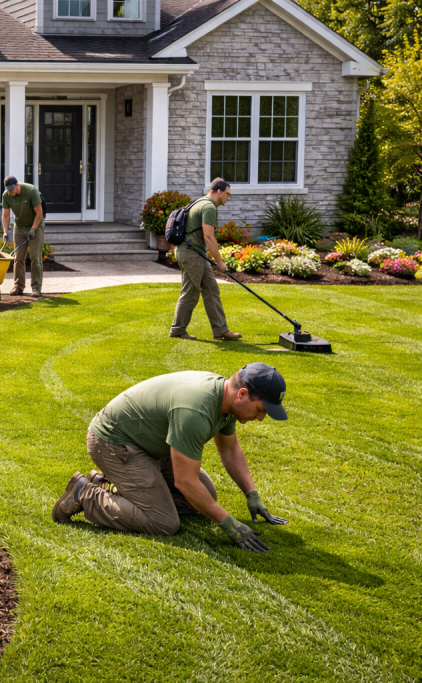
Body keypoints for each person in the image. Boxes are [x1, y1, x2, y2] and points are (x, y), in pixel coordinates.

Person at [53, 363, 289, 552]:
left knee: (206, 497)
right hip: (114, 443)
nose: (260, 419)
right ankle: (85, 494)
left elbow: (229, 449)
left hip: (150, 445)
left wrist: (252, 494)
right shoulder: (196, 410)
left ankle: (115, 487)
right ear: (243, 393)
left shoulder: (225, 401)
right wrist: (228, 524)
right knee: (164, 522)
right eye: (260, 410)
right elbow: (185, 481)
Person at [170, 177, 242, 341]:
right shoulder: (209, 207)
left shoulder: (199, 202)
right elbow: (209, 237)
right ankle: (178, 330)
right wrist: (220, 262)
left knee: (211, 290)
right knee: (190, 292)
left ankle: (220, 330)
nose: (228, 198)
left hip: (193, 253)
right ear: (219, 191)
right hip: (191, 254)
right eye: (228, 194)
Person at [1, 175, 45, 297]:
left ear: (17, 185)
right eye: (8, 190)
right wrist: (5, 232)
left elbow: (39, 213)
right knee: (18, 258)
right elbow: (5, 215)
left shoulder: (31, 191)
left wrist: (33, 229)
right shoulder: (6, 195)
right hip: (19, 227)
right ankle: (18, 286)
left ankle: (36, 287)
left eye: (12, 189)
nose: (10, 192)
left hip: (35, 226)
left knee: (35, 258)